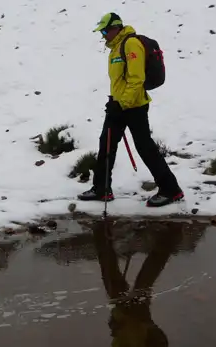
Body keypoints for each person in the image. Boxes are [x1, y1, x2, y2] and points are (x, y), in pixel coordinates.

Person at [79, 13, 184, 207]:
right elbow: (120, 81)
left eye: (104, 31)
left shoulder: (130, 44)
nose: (102, 35)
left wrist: (121, 104)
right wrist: (114, 101)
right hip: (119, 106)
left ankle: (171, 189)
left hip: (134, 107)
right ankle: (102, 188)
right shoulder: (115, 48)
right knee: (106, 145)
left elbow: (137, 79)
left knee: (145, 147)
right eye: (101, 31)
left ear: (115, 27)